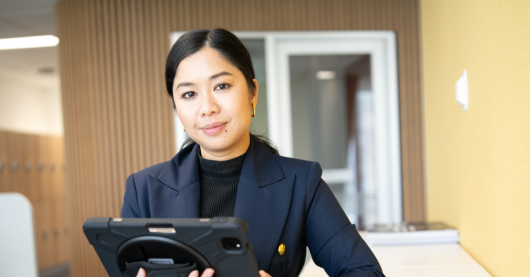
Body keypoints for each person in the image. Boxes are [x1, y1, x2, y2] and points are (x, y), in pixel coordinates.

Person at [121, 28, 385, 277]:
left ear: (252, 93)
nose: (207, 108)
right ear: (177, 110)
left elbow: (365, 271)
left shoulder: (301, 183)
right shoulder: (143, 190)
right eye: (189, 94)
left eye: (221, 86)